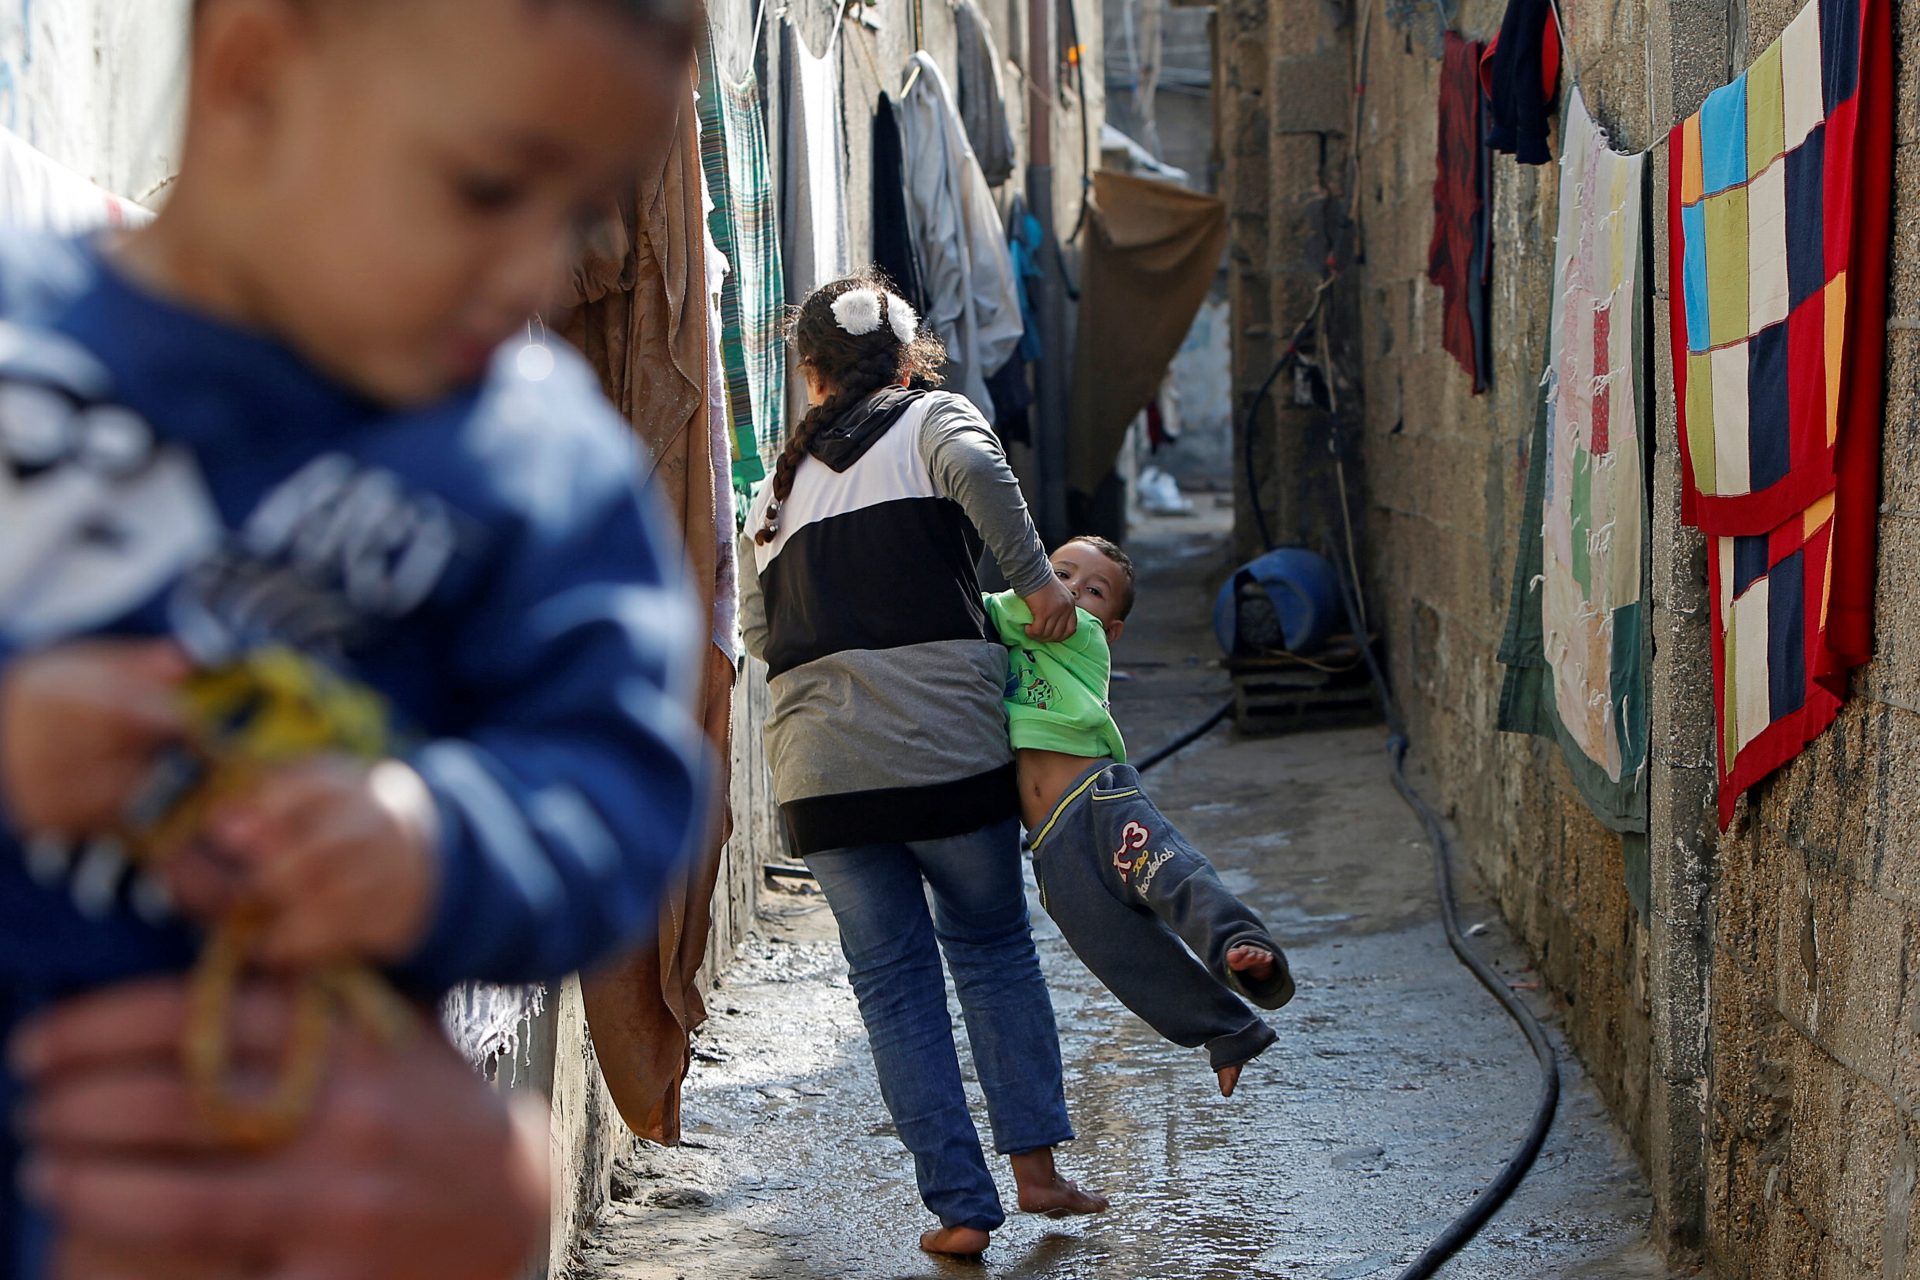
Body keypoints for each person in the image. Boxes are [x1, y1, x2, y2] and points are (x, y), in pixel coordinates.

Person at [0, 0, 713, 1271]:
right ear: (253, 70)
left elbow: (625, 779)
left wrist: (438, 836)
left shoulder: (534, 460)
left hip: (302, 1199)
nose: (534, 276)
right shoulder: (21, 356)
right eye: (488, 187)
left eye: (577, 212)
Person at [737, 274, 1106, 1259]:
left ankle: (959, 1208)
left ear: (810, 375)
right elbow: (982, 470)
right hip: (944, 750)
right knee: (990, 946)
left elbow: (760, 635)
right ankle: (1037, 1170)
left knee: (893, 984)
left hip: (821, 773)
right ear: (907, 364)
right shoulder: (932, 419)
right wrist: (1039, 586)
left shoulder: (773, 492)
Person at [986, 537, 1297, 1099]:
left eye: (1093, 590)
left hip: (1100, 801)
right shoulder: (1012, 635)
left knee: (1174, 876)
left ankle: (1243, 946)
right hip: (1052, 844)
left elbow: (987, 607)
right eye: (1061, 574)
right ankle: (1227, 1030)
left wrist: (1024, 588)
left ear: (1112, 630)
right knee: (1120, 956)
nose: (1070, 592)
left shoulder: (1078, 633)